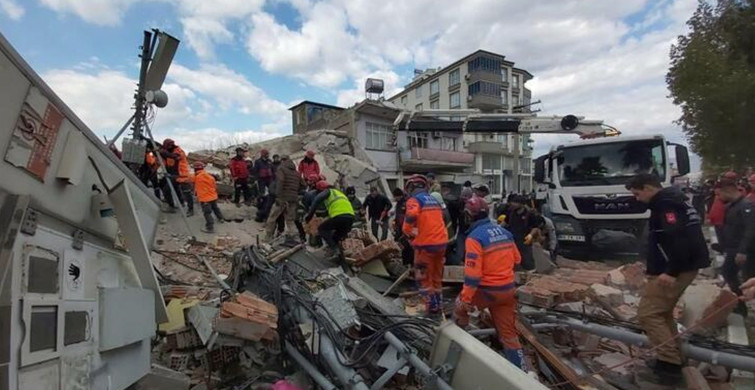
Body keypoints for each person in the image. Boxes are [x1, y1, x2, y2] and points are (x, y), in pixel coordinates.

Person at [625, 174, 709, 386]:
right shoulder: (673, 201)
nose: (637, 199)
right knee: (662, 314)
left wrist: (671, 271)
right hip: (682, 266)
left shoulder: (666, 205)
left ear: (647, 188)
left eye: (637, 193)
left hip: (678, 269)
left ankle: (669, 365)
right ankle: (673, 358)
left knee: (648, 314)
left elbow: (678, 240)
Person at [453, 196, 525, 370]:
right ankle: (521, 371)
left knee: (458, 311)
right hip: (508, 291)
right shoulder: (505, 233)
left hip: (486, 292)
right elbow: (517, 259)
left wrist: (465, 299)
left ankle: (455, 354)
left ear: (469, 216)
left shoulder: (474, 237)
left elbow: (473, 277)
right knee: (508, 333)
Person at [402, 175, 449, 317]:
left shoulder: (414, 200)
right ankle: (438, 305)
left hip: (425, 245)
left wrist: (407, 231)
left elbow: (411, 214)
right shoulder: (433, 200)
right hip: (441, 243)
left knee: (423, 278)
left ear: (411, 187)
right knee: (436, 276)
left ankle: (430, 309)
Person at [716, 174, 755, 297]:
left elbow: (750, 229)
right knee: (729, 273)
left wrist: (742, 251)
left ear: (727, 191)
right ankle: (739, 301)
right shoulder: (730, 207)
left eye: (719, 194)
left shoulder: (746, 206)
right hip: (733, 248)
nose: (718, 197)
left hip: (744, 249)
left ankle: (740, 301)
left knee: (747, 277)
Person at [305, 180, 355, 257]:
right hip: (350, 218)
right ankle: (340, 258)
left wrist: (309, 216)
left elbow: (316, 201)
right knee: (335, 238)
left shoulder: (328, 191)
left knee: (322, 229)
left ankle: (335, 250)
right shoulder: (339, 193)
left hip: (340, 215)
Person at [265, 155, 303, 241]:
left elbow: (280, 181)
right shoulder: (296, 173)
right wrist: (295, 192)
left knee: (272, 217)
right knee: (290, 220)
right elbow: (303, 185)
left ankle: (268, 237)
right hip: (293, 199)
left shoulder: (281, 169)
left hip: (282, 198)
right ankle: (296, 238)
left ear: (283, 161)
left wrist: (278, 196)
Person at [502, 195, 540, 271]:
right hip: (512, 240)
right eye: (513, 202)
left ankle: (531, 274)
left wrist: (530, 235)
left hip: (524, 241)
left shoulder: (530, 214)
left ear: (522, 204)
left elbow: (535, 227)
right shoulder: (510, 212)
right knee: (512, 259)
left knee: (527, 260)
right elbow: (504, 223)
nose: (513, 204)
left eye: (516, 203)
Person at [161, 138, 194, 216]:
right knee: (168, 189)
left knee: (187, 193)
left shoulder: (179, 151)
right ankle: (174, 205)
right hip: (174, 176)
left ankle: (191, 209)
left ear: (170, 146)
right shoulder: (169, 151)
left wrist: (163, 152)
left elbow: (174, 156)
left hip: (183, 176)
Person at [193, 162, 224, 233]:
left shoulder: (196, 177)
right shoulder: (209, 176)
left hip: (205, 199)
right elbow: (214, 186)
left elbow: (185, 179)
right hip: (213, 196)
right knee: (215, 208)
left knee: (207, 212)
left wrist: (172, 177)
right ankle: (221, 218)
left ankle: (210, 227)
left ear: (195, 168)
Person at [392, 187, 414, 266]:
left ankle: (410, 263)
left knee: (407, 246)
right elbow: (398, 215)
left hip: (405, 228)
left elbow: (406, 216)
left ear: (399, 196)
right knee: (402, 246)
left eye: (395, 196)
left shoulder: (406, 202)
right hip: (399, 228)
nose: (394, 198)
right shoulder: (399, 203)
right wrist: (395, 221)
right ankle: (405, 263)